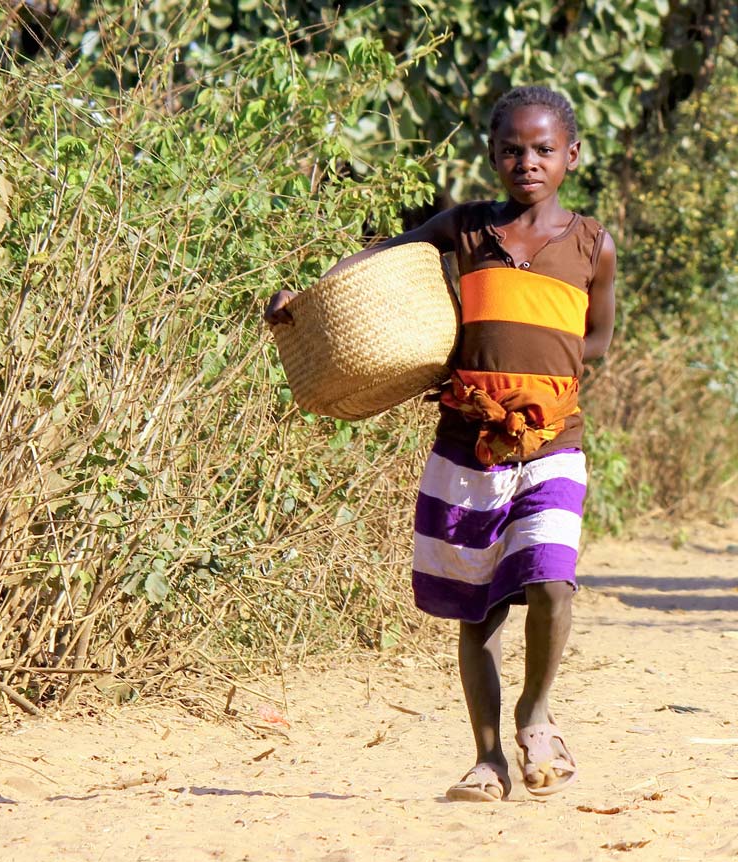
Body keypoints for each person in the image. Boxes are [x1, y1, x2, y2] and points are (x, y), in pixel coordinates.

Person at [263, 86, 616, 802]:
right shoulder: (463, 229)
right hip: (468, 442)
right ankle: (488, 760)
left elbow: (598, 339)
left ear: (571, 156)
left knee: (552, 580)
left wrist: (549, 391)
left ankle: (535, 712)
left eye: (544, 149)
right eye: (512, 149)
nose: (528, 161)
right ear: (491, 155)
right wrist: (301, 301)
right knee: (477, 606)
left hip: (552, 439)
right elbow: (376, 261)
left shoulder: (592, 244)